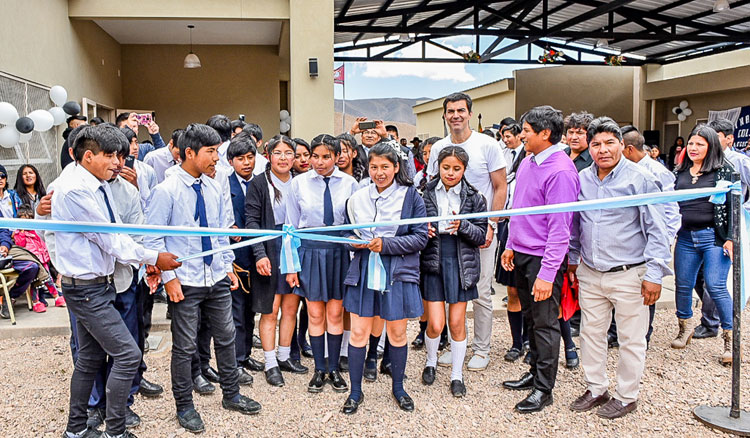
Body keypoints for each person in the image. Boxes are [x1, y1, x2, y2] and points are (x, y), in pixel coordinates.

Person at [53, 124, 180, 438]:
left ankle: (76, 431)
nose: (117, 162)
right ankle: (116, 431)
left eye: (120, 155)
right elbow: (111, 239)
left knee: (90, 357)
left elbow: (120, 231)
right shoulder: (76, 190)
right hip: (86, 289)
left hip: (96, 284)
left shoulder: (96, 181)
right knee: (127, 355)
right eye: (109, 155)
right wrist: (155, 258)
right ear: (86, 156)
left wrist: (149, 254)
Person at [144, 123, 262, 433]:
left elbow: (221, 232)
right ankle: (184, 405)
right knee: (184, 347)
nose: (216, 159)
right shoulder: (166, 191)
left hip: (217, 279)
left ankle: (232, 394)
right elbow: (154, 241)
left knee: (226, 337)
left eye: (217, 152)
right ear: (189, 153)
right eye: (211, 153)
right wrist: (169, 278)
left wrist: (227, 267)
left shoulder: (213, 187)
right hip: (185, 281)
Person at [568, 117, 671, 420]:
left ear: (622, 146)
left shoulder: (639, 179)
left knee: (630, 338)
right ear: (589, 146)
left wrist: (654, 274)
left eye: (609, 143)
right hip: (591, 272)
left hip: (629, 273)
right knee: (590, 334)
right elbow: (576, 224)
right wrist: (574, 260)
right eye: (596, 144)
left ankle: (627, 396)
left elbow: (657, 229)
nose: (602, 150)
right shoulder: (583, 178)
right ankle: (597, 388)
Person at [500, 105, 579, 413]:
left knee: (545, 324)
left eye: (527, 131)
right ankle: (534, 372)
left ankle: (544, 388)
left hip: (543, 260)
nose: (522, 135)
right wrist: (510, 244)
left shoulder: (560, 171)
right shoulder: (529, 161)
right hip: (521, 253)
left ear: (545, 134)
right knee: (531, 320)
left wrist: (548, 274)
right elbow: (519, 208)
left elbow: (561, 230)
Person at [341, 141, 427, 414]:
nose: (379, 172)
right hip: (364, 268)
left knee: (398, 331)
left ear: (396, 167)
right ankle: (355, 392)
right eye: (374, 167)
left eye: (385, 167)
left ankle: (399, 388)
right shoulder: (357, 197)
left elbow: (420, 237)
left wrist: (387, 244)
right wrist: (353, 243)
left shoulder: (411, 196)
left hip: (398, 270)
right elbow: (346, 233)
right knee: (358, 331)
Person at [426, 92, 507, 371]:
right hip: (445, 237)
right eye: (450, 111)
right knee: (449, 291)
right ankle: (453, 344)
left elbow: (500, 186)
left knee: (481, 291)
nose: (456, 115)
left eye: (461, 110)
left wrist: (492, 226)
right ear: (445, 115)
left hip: (478, 232)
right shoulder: (438, 148)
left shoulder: (487, 144)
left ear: (470, 113)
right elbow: (430, 187)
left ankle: (481, 348)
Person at [285, 134, 359, 394]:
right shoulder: (298, 184)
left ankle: (335, 368)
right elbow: (290, 228)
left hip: (339, 251)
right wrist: (291, 266)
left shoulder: (350, 184)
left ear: (337, 156)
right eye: (314, 156)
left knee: (336, 313)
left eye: (325, 156)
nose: (319, 161)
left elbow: (357, 224)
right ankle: (319, 369)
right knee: (315, 313)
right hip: (310, 252)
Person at [420, 146, 487, 397]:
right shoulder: (424, 193)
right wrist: (422, 233)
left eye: (456, 168)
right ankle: (430, 361)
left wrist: (463, 226)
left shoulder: (475, 197)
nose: (450, 173)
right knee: (436, 324)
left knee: (457, 322)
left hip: (461, 261)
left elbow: (481, 235)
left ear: (464, 169)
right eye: (445, 167)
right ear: (437, 166)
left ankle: (457, 375)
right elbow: (413, 225)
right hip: (433, 258)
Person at [246, 135, 308, 387]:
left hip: (295, 249)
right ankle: (270, 362)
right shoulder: (259, 183)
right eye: (278, 153)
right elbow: (251, 221)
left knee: (291, 307)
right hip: (270, 250)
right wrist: (259, 254)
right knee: (270, 310)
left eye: (288, 153)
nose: (284, 158)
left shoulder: (302, 182)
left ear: (295, 157)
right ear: (269, 156)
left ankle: (285, 355)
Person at [671, 124, 735, 365]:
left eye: (700, 144)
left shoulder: (723, 172)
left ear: (711, 146)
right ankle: (685, 327)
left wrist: (730, 238)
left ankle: (730, 338)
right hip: (686, 236)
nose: (693, 148)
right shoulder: (681, 172)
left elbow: (733, 207)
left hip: (714, 238)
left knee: (716, 286)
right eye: (691, 143)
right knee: (683, 285)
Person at [688, 118, 750, 340]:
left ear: (728, 139)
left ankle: (713, 323)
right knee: (696, 277)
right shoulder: (696, 163)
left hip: (725, 227)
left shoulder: (737, 161)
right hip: (698, 228)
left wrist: (743, 208)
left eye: (712, 137)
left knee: (715, 281)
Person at [225, 133, 262, 386]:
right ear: (230, 161)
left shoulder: (262, 184)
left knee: (251, 310)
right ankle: (235, 361)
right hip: (235, 256)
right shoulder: (223, 186)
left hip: (258, 255)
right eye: (240, 159)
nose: (246, 163)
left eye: (250, 158)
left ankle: (247, 353)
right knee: (236, 311)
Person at [495, 123, 529, 363]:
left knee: (535, 294)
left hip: (535, 237)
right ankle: (517, 343)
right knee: (514, 291)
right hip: (511, 232)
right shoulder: (515, 174)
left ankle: (532, 340)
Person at [11, 204, 64, 312]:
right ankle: (36, 302)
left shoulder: (35, 232)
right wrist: (21, 232)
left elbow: (42, 243)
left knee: (48, 279)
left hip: (42, 259)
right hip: (32, 260)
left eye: (29, 220)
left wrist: (46, 254)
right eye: (23, 221)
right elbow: (20, 244)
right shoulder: (18, 233)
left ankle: (56, 297)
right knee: (35, 283)